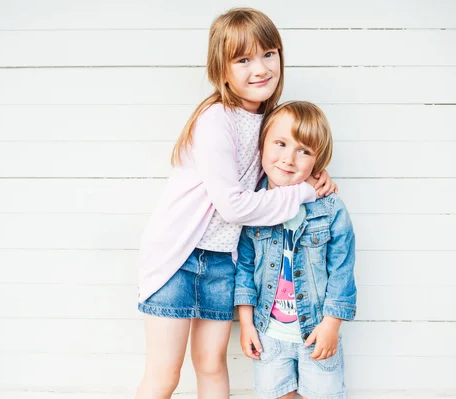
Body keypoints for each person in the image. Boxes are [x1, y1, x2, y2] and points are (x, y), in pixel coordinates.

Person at [135, 9, 337, 399]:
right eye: (243, 59)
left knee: (211, 366)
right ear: (221, 70)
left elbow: (280, 174)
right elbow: (234, 206)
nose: (259, 68)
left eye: (268, 54)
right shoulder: (216, 119)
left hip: (222, 261)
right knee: (164, 375)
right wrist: (305, 192)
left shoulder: (269, 121)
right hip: (177, 258)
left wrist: (317, 177)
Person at [235, 101, 357, 399]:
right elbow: (245, 268)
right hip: (269, 332)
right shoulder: (253, 206)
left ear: (318, 161)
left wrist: (331, 323)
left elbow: (341, 269)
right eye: (280, 143)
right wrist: (247, 323)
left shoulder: (330, 209)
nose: (289, 158)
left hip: (317, 331)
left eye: (304, 151)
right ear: (262, 145)